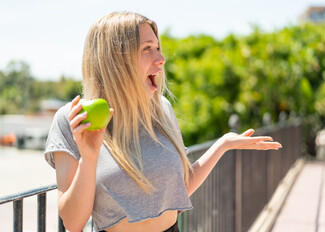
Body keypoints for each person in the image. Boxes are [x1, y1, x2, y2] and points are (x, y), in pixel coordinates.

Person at [44, 12, 282, 232]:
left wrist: (222, 145)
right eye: (148, 48)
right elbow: (73, 223)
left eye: (157, 47)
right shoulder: (74, 119)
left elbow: (179, 189)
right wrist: (89, 156)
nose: (161, 59)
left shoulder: (161, 110)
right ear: (115, 59)